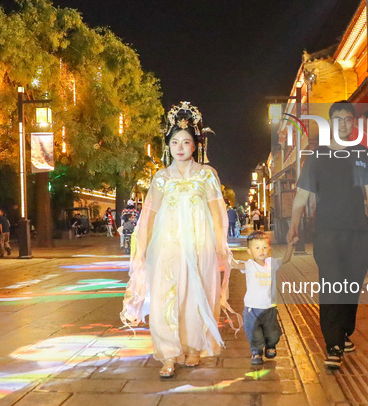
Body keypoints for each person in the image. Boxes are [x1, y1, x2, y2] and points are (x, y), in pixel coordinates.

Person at [120, 102, 239, 379]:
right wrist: (142, 245)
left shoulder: (206, 175)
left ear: (195, 145)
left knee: (196, 295)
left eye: (186, 142)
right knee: (166, 295)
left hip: (199, 245)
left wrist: (220, 244)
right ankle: (169, 353)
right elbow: (148, 215)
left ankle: (193, 346)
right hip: (168, 247)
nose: (181, 147)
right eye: (175, 142)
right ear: (168, 146)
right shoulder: (161, 178)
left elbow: (217, 211)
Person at [287, 101, 368, 370]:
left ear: (353, 123)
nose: (343, 123)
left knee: (352, 287)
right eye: (338, 119)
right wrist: (294, 226)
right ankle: (333, 344)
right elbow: (301, 197)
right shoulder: (317, 158)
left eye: (348, 119)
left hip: (358, 233)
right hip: (327, 233)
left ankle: (343, 332)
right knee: (332, 286)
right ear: (331, 124)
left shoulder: (362, 154)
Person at [230, 231, 296, 365]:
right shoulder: (249, 265)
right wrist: (223, 251)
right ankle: (256, 353)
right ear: (249, 251)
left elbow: (286, 259)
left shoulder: (272, 263)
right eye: (257, 248)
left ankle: (271, 345)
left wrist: (290, 245)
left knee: (272, 332)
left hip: (270, 308)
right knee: (254, 332)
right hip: (252, 308)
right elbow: (235, 264)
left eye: (265, 247)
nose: (262, 251)